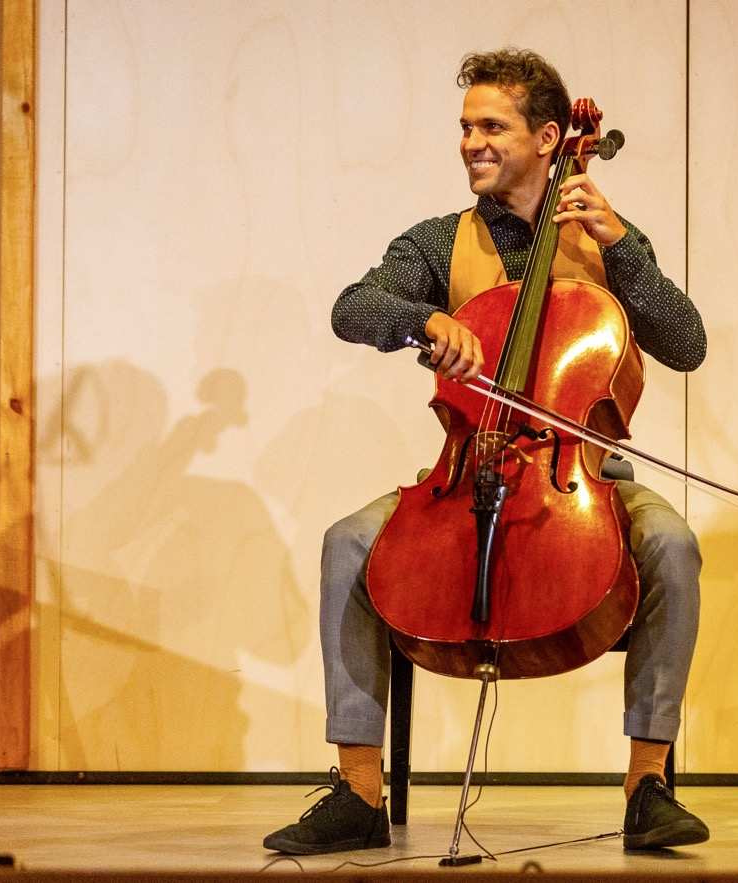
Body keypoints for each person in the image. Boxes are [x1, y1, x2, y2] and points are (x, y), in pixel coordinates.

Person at [263, 48, 709, 855]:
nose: (471, 141)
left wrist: (624, 249)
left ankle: (647, 784)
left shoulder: (607, 239)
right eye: (467, 127)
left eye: (492, 127)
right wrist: (422, 320)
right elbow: (352, 307)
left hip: (585, 475)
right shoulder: (440, 241)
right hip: (468, 465)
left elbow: (686, 343)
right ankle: (358, 790)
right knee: (348, 542)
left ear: (549, 138)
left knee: (674, 546)